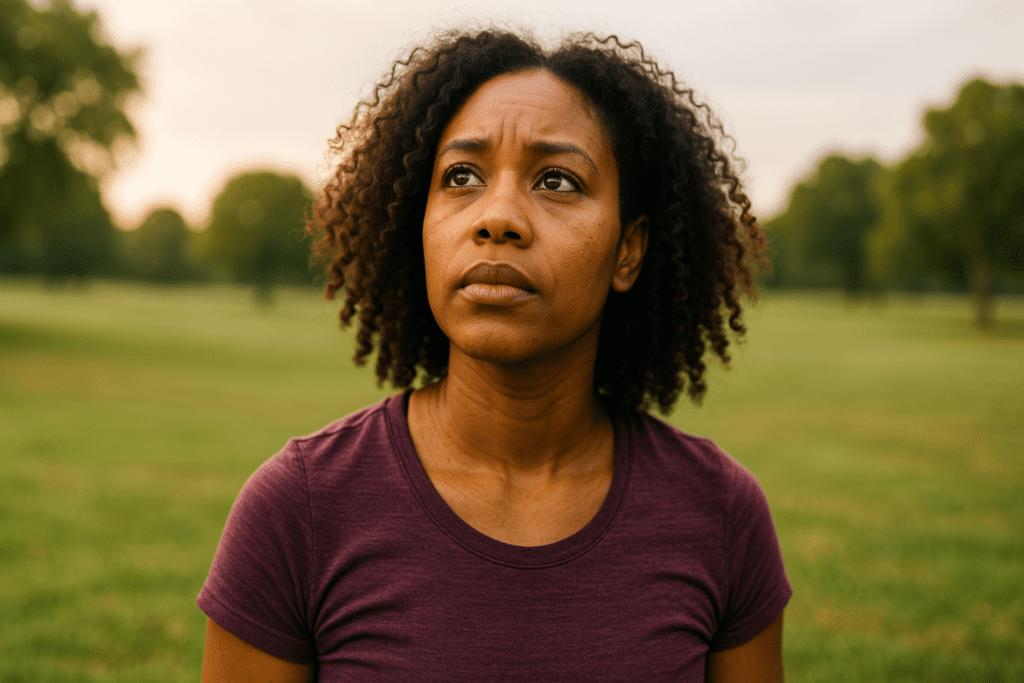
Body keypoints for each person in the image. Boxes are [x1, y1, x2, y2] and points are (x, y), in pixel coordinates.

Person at [198, 28, 790, 682]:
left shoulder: (721, 514)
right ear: (416, 223)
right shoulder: (298, 510)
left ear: (629, 250)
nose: (498, 216)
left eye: (558, 180)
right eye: (461, 176)